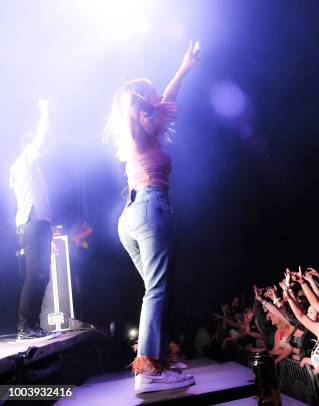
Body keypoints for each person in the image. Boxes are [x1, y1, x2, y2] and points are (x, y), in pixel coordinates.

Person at [102, 41, 200, 394]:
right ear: (142, 102)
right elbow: (129, 101)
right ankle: (149, 373)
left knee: (158, 290)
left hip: (134, 214)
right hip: (148, 208)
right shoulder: (135, 128)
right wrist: (144, 97)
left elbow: (165, 105)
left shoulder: (145, 132)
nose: (158, 101)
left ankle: (159, 361)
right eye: (152, 97)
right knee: (158, 290)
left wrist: (182, 71)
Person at [9, 99, 56, 340]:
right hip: (32, 223)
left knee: (41, 274)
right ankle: (25, 325)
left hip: (37, 224)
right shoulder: (26, 159)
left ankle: (31, 324)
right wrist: (44, 111)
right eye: (40, 147)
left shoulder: (28, 168)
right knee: (36, 273)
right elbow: (42, 135)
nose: (44, 150)